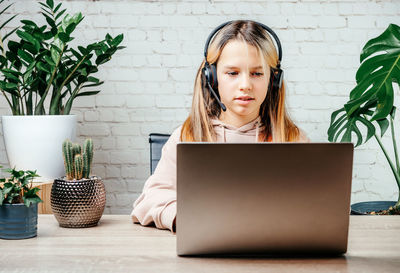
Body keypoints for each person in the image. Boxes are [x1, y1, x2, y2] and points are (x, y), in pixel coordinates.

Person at [130, 20, 310, 232]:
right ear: (211, 78)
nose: (245, 85)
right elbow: (149, 199)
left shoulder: (293, 139)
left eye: (257, 73)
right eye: (232, 73)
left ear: (273, 80)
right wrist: (185, 216)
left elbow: (311, 204)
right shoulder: (187, 136)